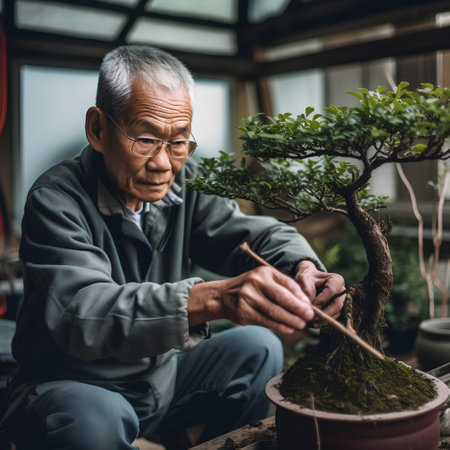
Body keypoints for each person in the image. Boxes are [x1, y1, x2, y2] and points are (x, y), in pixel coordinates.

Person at [2, 45, 345, 450]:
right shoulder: (54, 199)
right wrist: (213, 297)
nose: (163, 163)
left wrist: (302, 266)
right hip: (74, 388)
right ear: (98, 129)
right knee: (94, 418)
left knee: (259, 347)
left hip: (157, 383)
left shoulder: (183, 182)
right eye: (146, 139)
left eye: (179, 142)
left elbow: (244, 233)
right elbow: (84, 312)